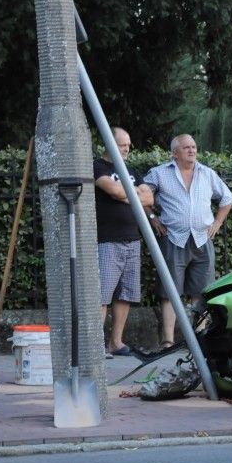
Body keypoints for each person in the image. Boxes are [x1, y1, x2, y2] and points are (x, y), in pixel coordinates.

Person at [144, 134, 232, 347]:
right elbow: (140, 195)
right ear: (175, 153)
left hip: (202, 239)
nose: (192, 150)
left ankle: (199, 339)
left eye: (193, 147)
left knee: (201, 292)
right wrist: (152, 217)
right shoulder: (159, 173)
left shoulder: (207, 173)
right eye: (186, 147)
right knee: (169, 292)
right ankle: (168, 341)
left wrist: (217, 222)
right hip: (173, 238)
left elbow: (227, 198)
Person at [93, 127, 154, 358]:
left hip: (132, 239)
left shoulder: (132, 171)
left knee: (126, 294)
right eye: (122, 145)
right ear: (109, 144)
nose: (127, 149)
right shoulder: (98, 167)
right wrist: (133, 194)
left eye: (128, 145)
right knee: (102, 294)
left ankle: (116, 343)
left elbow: (149, 198)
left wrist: (127, 194)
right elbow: (114, 191)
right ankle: (95, 345)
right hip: (108, 240)